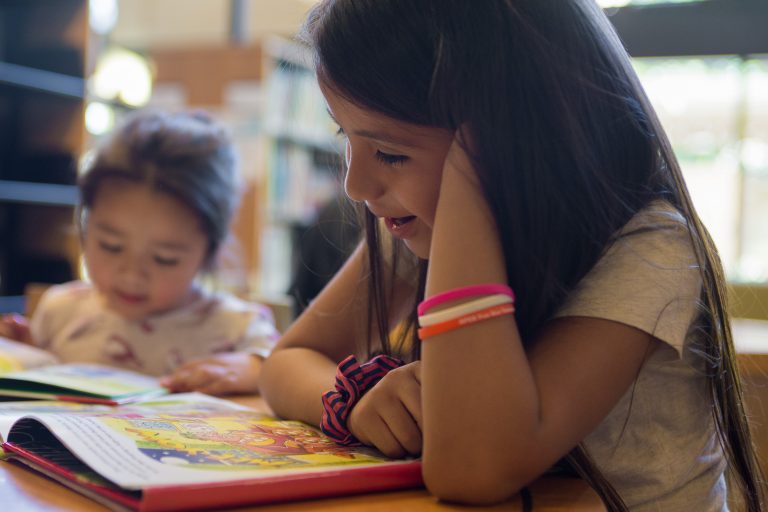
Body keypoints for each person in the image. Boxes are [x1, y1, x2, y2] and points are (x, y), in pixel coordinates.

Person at [259, 1, 765, 511]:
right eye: (346, 136)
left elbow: (474, 469)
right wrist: (356, 402)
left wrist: (468, 194)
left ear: (511, 142)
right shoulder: (420, 224)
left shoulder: (651, 248)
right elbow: (287, 362)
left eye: (390, 153)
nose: (354, 185)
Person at [0, 110, 278, 396]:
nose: (132, 275)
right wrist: (26, 354)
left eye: (164, 258)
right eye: (111, 245)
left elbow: (282, 370)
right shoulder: (61, 310)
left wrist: (256, 369)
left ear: (210, 250)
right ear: (84, 225)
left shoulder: (239, 327)